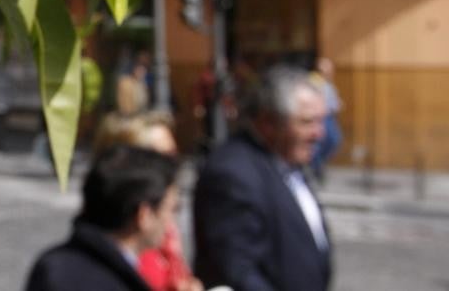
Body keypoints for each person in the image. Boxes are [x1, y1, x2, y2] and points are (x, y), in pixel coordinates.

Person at [193, 66, 331, 291]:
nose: (319, 133)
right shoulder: (232, 173)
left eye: (320, 121)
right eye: (307, 122)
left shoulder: (286, 161)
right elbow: (237, 272)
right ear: (268, 123)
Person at [25, 146, 181, 291]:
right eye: (172, 209)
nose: (172, 222)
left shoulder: (52, 266)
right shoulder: (109, 282)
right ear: (144, 216)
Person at [94, 113, 202, 291]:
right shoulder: (119, 247)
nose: (174, 170)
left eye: (175, 157)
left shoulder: (164, 228)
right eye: (163, 159)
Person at [309, 57, 343, 181]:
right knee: (319, 143)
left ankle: (317, 165)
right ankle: (315, 167)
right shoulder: (315, 80)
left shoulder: (327, 82)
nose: (329, 70)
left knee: (334, 140)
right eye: (326, 67)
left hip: (329, 117)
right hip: (321, 117)